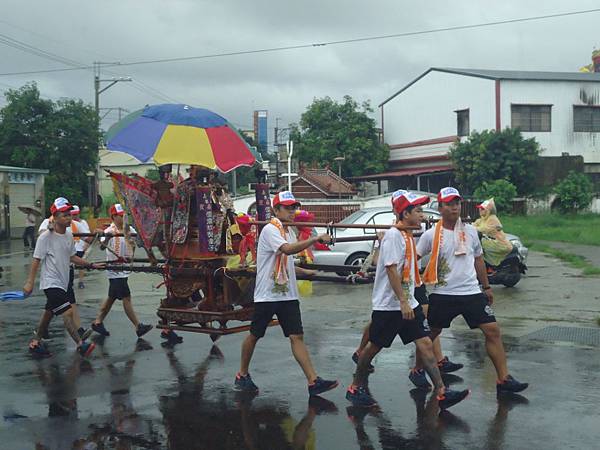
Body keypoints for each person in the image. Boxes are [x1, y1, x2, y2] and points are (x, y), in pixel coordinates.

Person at [346, 191, 469, 409]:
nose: (422, 215)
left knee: (425, 343)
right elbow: (391, 270)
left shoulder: (406, 234)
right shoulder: (394, 236)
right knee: (373, 348)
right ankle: (356, 386)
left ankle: (441, 391)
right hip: (390, 306)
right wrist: (402, 301)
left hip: (409, 303)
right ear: (405, 213)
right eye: (418, 211)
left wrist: (408, 300)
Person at [416, 187, 528, 395]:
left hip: (471, 292)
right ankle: (418, 369)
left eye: (457, 203)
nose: (454, 207)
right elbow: (414, 258)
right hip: (443, 293)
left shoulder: (470, 232)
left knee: (493, 330)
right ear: (440, 207)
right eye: (449, 203)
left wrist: (486, 287)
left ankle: (503, 380)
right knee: (430, 334)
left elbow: (477, 259)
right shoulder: (430, 235)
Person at [234, 191, 338, 396]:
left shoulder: (288, 231)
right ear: (276, 210)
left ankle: (313, 381)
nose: (292, 211)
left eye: (293, 208)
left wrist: (306, 272)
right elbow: (288, 250)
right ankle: (242, 373)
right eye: (287, 208)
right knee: (255, 335)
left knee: (296, 336)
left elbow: (287, 262)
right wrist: (316, 238)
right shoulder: (271, 230)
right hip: (267, 295)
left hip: (287, 295)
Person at [23, 197, 98, 358]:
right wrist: (29, 282)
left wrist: (90, 265)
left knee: (48, 314)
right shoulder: (46, 237)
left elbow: (72, 257)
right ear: (55, 217)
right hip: (51, 283)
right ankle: (80, 344)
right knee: (68, 312)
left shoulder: (69, 235)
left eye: (69, 214)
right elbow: (36, 260)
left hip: (63, 282)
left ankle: (35, 342)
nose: (68, 217)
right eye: (64, 215)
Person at [91, 204, 153, 339]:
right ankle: (138, 326)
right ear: (113, 217)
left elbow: (135, 243)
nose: (123, 218)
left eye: (125, 215)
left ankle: (98, 322)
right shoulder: (109, 230)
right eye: (120, 216)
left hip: (124, 269)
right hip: (114, 270)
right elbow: (102, 247)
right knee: (126, 297)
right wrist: (107, 237)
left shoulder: (129, 229)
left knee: (112, 297)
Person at [473, 198, 514, 267]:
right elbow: (474, 224)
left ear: (488, 210)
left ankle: (489, 266)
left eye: (482, 209)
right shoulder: (483, 219)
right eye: (479, 208)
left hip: (500, 244)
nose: (480, 210)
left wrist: (474, 228)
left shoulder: (493, 219)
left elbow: (485, 229)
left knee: (479, 248)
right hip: (492, 241)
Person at [70, 205, 91, 289]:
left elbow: (88, 235)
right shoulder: (69, 223)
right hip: (72, 248)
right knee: (71, 265)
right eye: (73, 214)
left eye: (76, 214)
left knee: (81, 265)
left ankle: (81, 281)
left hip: (80, 247)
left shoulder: (83, 223)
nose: (75, 216)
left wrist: (86, 246)